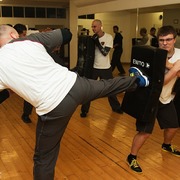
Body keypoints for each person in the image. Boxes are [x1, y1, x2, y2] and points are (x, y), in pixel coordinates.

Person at [0, 24, 149, 180]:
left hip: (53, 108)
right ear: (13, 35)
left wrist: (9, 93)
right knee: (106, 86)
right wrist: (46, 40)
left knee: (43, 158)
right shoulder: (31, 39)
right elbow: (66, 34)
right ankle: (138, 81)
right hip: (75, 85)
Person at [126, 25, 180, 174]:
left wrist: (170, 66)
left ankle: (166, 145)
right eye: (162, 40)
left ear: (174, 40)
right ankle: (132, 156)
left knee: (173, 126)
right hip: (149, 99)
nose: (165, 43)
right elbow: (159, 83)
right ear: (158, 41)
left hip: (166, 98)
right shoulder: (152, 55)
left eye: (168, 39)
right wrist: (174, 69)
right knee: (145, 132)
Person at [80, 19, 123, 117]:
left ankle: (116, 107)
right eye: (92, 26)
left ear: (100, 26)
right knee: (89, 89)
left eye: (94, 26)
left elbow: (105, 53)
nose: (93, 28)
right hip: (94, 68)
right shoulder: (92, 38)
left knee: (110, 88)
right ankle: (84, 110)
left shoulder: (108, 37)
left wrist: (97, 42)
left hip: (105, 68)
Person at [14, 23, 33, 123]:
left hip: (31, 71)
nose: (25, 36)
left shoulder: (26, 42)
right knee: (29, 95)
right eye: (24, 34)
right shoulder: (12, 45)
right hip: (22, 73)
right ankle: (26, 114)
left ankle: (27, 114)